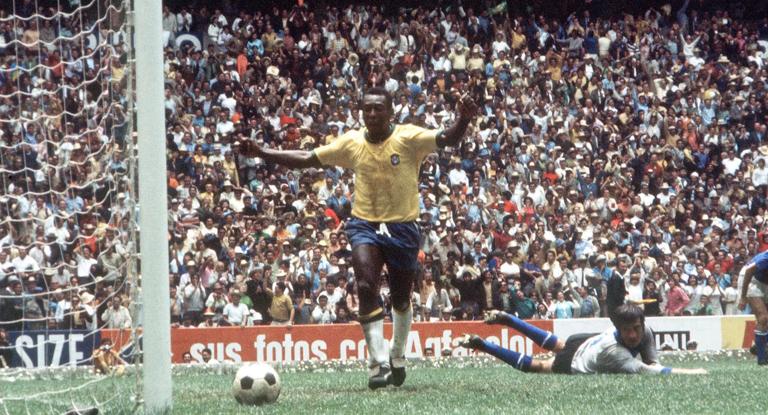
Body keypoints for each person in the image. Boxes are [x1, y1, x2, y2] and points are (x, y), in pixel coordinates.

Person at [240, 87, 477, 389]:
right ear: (361, 113)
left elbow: (448, 138)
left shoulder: (408, 138)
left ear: (390, 111)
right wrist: (262, 152)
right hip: (364, 224)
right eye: (367, 109)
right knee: (365, 285)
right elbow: (307, 158)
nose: (373, 113)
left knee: (402, 297)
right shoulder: (352, 143)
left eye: (379, 108)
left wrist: (464, 120)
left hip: (402, 226)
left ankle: (397, 355)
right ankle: (377, 364)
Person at [459, 304, 706, 375]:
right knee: (540, 366)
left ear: (642, 325)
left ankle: (511, 320)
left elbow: (653, 359)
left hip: (582, 341)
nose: (633, 335)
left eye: (636, 329)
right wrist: (692, 371)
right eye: (627, 330)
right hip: (577, 360)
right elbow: (652, 371)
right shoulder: (617, 354)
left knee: (556, 343)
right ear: (617, 329)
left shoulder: (646, 332)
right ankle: (485, 345)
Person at [737, 251, 768, 365]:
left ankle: (760, 344)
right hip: (750, 279)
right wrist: (743, 296)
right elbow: (749, 271)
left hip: (764, 280)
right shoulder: (766, 259)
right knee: (763, 317)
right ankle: (762, 359)